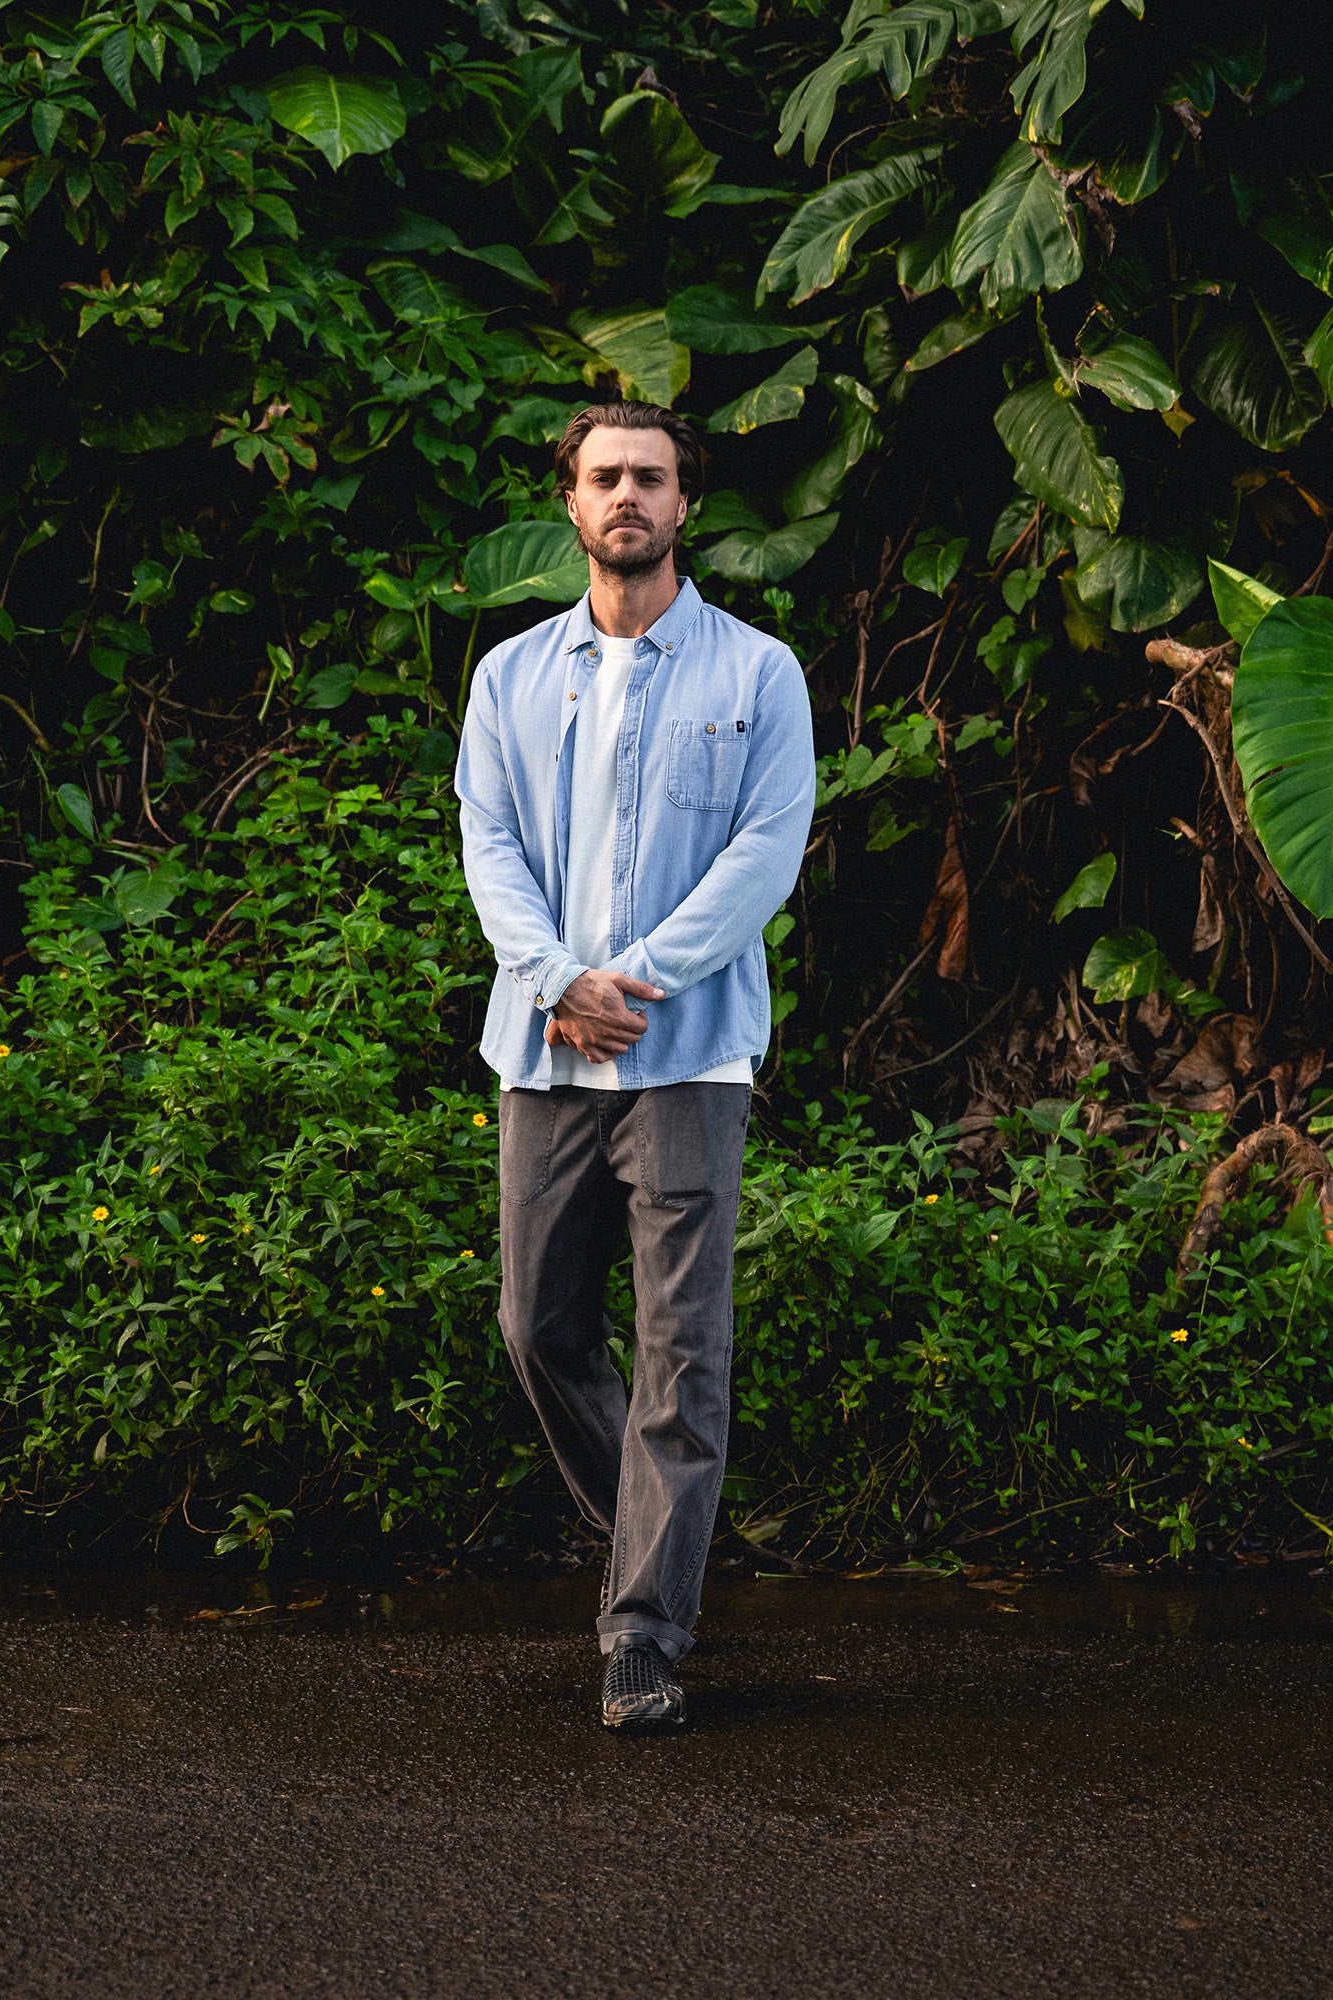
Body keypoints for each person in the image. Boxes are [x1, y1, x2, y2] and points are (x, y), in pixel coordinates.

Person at [455, 400, 816, 1732]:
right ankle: (663, 1539)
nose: (627, 497)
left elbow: (767, 852)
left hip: (688, 1056)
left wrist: (636, 984)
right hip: (543, 1050)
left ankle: (644, 1636)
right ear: (570, 502)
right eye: (604, 477)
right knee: (535, 1327)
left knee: (681, 1352)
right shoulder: (508, 677)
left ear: (684, 506)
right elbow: (488, 846)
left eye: (651, 479)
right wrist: (558, 982)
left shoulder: (756, 673)